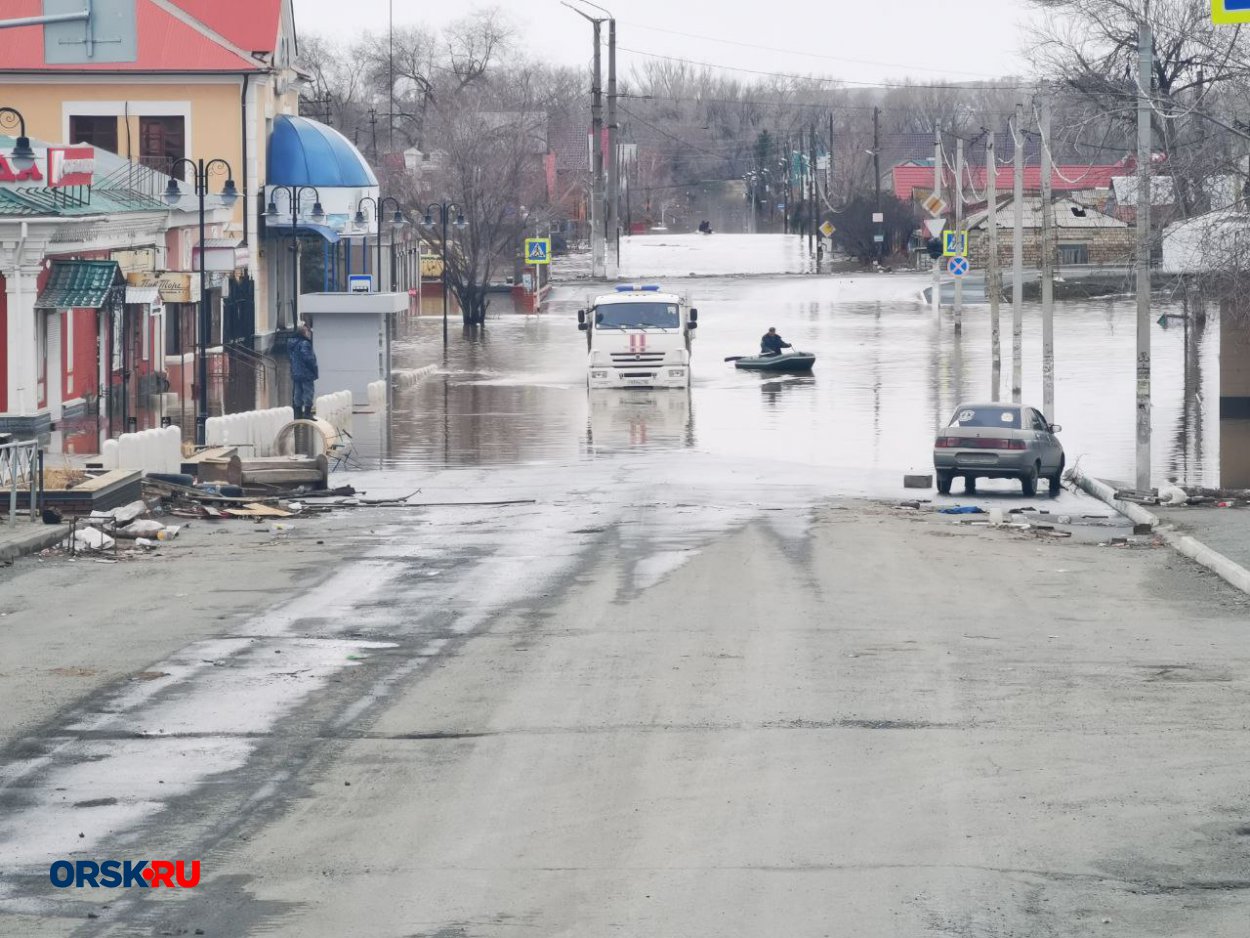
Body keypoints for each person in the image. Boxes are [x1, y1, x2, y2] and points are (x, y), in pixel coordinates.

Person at [290, 322, 319, 419]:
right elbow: (308, 358)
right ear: (303, 333)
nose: (308, 333)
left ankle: (297, 414)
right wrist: (314, 368)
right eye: (307, 331)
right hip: (306, 373)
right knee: (308, 392)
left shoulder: (292, 344)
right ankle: (307, 413)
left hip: (296, 373)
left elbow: (291, 358)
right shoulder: (305, 343)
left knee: (298, 392)